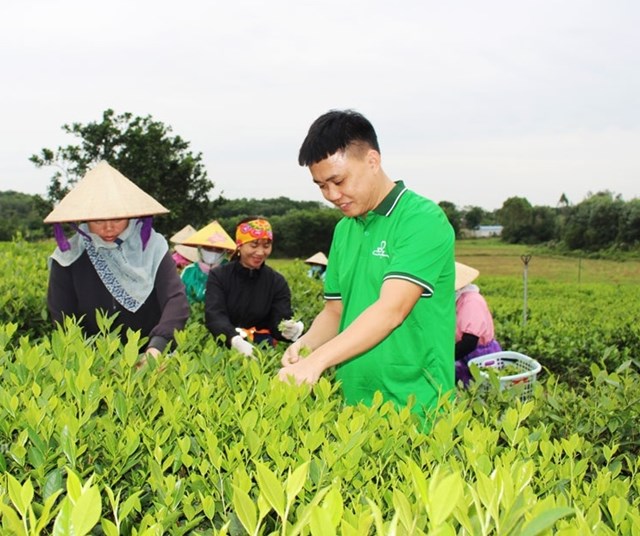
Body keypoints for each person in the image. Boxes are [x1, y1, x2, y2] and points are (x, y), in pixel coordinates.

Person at [278, 109, 455, 421]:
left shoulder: (421, 220)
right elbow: (335, 312)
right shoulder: (345, 229)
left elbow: (391, 310)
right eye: (321, 186)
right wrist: (306, 347)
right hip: (353, 406)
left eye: (338, 180)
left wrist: (317, 362)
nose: (332, 195)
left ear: (372, 161)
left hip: (415, 409)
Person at [45, 161, 190, 361]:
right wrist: (87, 360)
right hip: (92, 361)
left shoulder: (152, 247)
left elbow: (176, 300)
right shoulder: (69, 258)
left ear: (131, 215)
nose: (109, 229)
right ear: (84, 219)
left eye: (117, 219)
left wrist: (157, 347)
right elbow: (62, 316)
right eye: (98, 221)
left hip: (152, 354)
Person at [204, 217, 304, 357]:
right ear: (240, 245)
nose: (260, 252)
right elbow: (214, 315)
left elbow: (279, 320)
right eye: (254, 245)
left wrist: (288, 329)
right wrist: (235, 340)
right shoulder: (220, 276)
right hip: (225, 345)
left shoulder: (276, 281)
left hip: (262, 350)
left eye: (266, 245)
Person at [454, 261, 502, 386]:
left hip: (478, 355)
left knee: (478, 391)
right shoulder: (459, 300)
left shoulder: (471, 301)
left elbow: (469, 343)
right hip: (467, 353)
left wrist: (446, 358)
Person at [179, 220, 236, 304]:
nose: (213, 252)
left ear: (224, 251)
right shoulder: (189, 271)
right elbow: (179, 298)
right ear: (200, 248)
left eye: (218, 249)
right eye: (208, 248)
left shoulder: (231, 271)